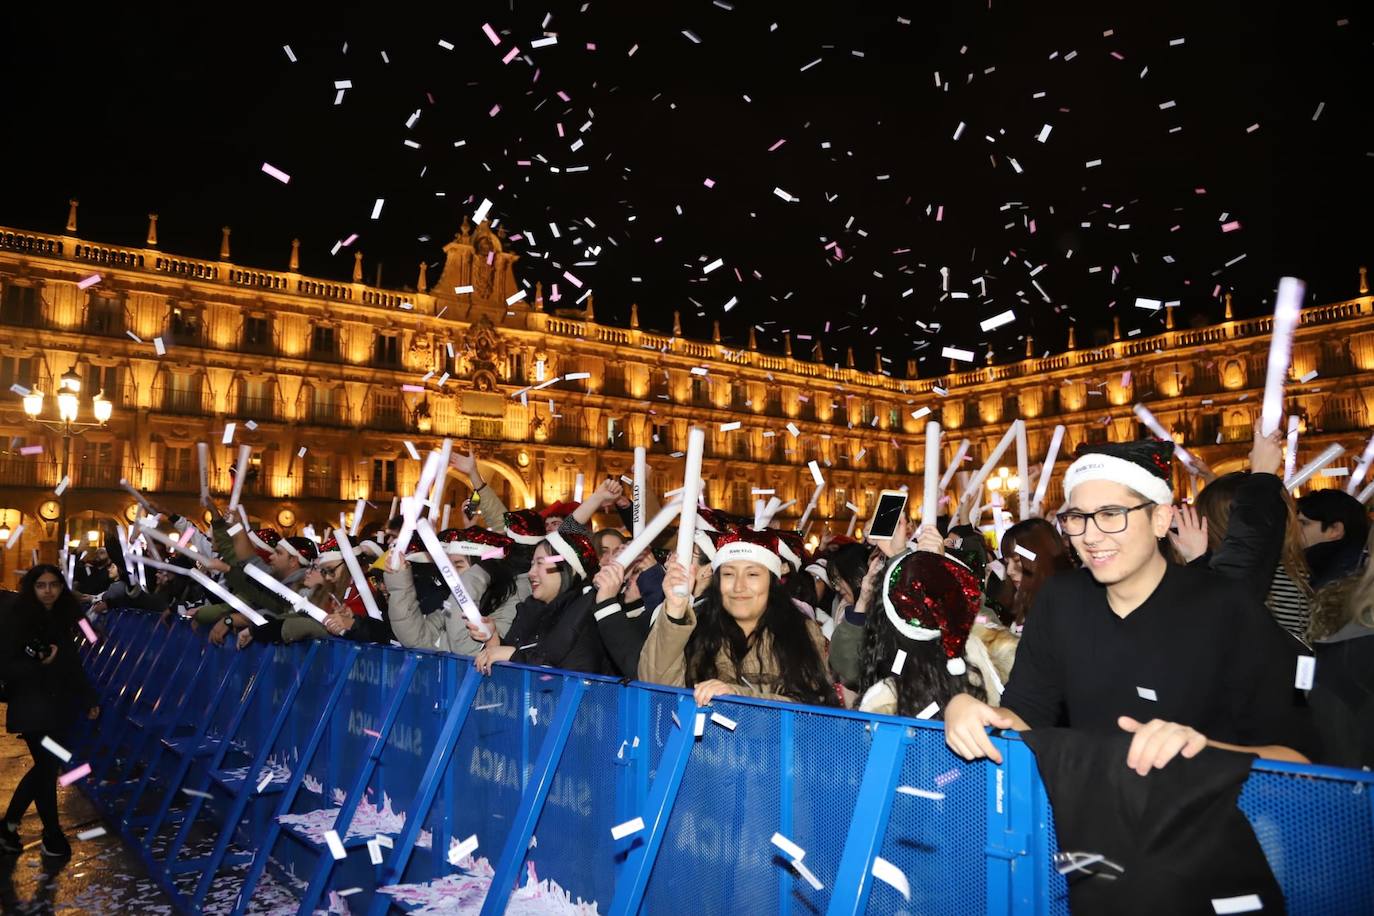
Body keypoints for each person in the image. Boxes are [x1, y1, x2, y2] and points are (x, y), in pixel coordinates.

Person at [944, 439, 1315, 775]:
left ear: (1160, 519)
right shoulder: (1062, 600)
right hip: (1091, 829)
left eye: (1110, 514)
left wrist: (1203, 749)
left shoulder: (1225, 606)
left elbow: (1298, 757)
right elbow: (1026, 714)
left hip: (1206, 829)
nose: (1089, 535)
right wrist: (973, 713)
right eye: (1077, 518)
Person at [638, 527, 837, 707]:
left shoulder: (799, 630)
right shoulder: (698, 624)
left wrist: (736, 696)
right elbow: (654, 688)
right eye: (728, 575)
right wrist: (674, 612)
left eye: (752, 575)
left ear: (771, 582)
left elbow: (813, 707)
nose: (739, 586)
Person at [1170, 422, 1313, 639]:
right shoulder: (1287, 566)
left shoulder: (1275, 580)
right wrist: (1210, 478)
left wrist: (1197, 563)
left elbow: (1226, 608)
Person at [0, 566, 100, 859]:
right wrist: (39, 665)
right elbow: (6, 666)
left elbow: (72, 664)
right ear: (31, 588)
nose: (48, 591)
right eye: (41, 585)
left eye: (54, 585)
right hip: (31, 706)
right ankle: (52, 835)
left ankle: (9, 828)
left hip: (57, 706)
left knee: (45, 767)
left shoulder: (62, 616)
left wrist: (88, 697)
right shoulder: (16, 619)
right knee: (46, 767)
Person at [470, 530, 608, 675]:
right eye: (532, 564)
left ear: (570, 569)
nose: (531, 572)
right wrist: (492, 639)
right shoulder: (530, 609)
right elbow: (517, 655)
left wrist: (513, 656)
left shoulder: (585, 616)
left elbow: (574, 675)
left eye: (540, 563)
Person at [1296, 488, 1369, 589]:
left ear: (1335, 530)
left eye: (1304, 523)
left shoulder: (1337, 581)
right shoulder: (1354, 566)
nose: (1295, 530)